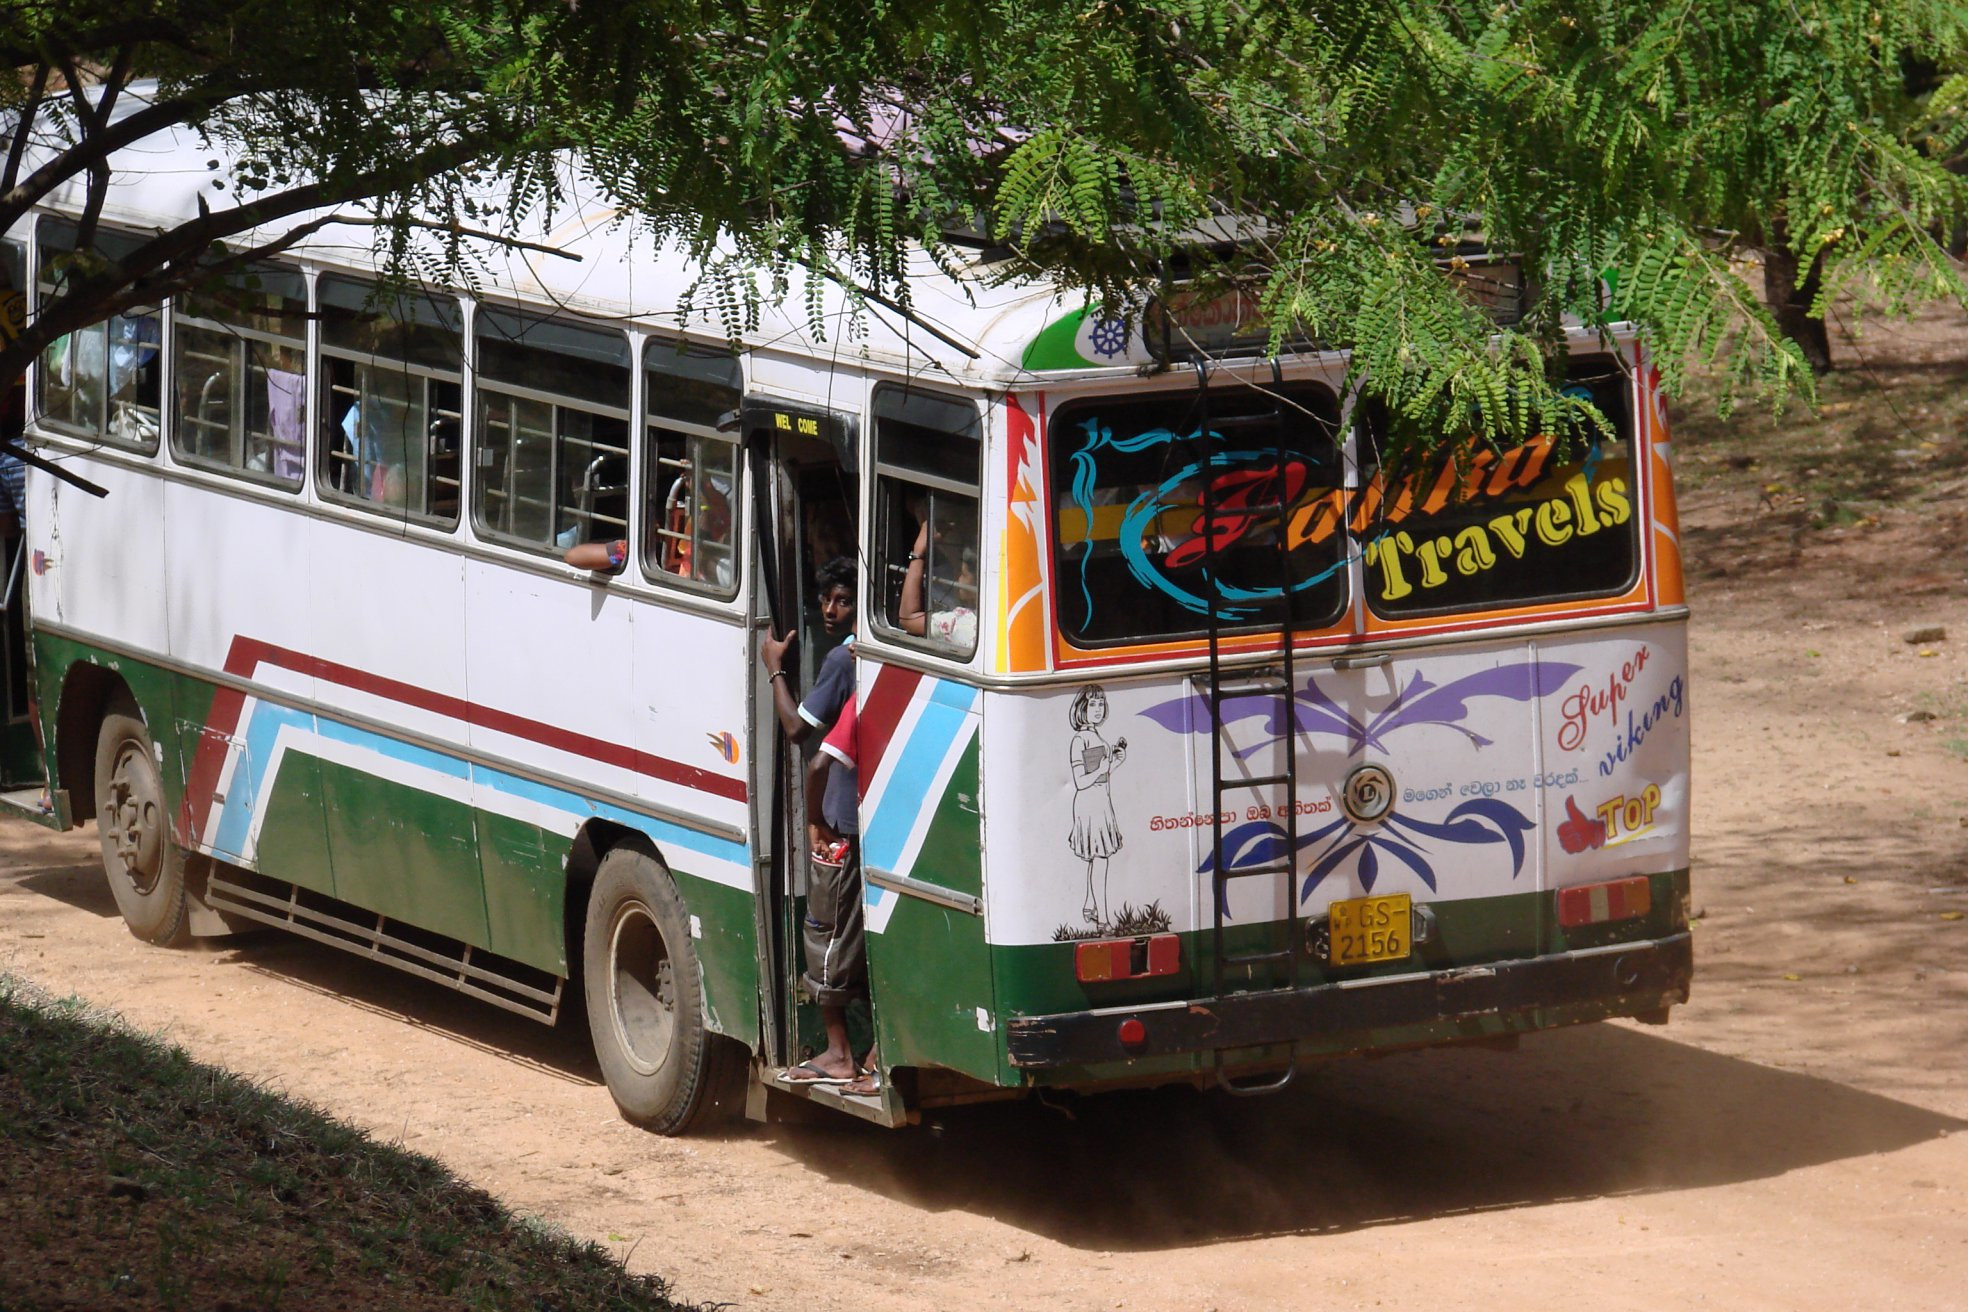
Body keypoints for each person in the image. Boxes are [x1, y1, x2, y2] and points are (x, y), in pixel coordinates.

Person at [758, 556, 869, 1088]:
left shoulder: (842, 663)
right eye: (825, 599)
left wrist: (774, 668)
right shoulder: (869, 654)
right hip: (863, 813)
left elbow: (799, 732)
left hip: (841, 820)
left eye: (843, 601)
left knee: (826, 932)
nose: (829, 610)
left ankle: (841, 1053)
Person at [798, 691, 878, 1096]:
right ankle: (877, 1057)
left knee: (826, 940)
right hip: (882, 833)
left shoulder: (866, 687)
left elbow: (817, 761)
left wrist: (814, 820)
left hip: (845, 834)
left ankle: (841, 1055)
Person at [897, 507, 977, 649]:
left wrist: (918, 551)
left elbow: (908, 618)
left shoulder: (963, 625)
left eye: (962, 573)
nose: (957, 575)